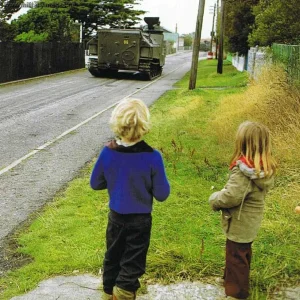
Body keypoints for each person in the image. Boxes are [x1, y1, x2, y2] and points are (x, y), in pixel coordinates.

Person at [90, 98, 170, 300]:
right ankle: (123, 294)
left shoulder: (108, 152)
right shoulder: (153, 157)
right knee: (132, 261)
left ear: (117, 122)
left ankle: (109, 292)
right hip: (140, 220)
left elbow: (96, 183)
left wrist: (116, 177)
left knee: (113, 256)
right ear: (144, 125)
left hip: (116, 217)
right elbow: (162, 194)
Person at [209, 121, 276, 299]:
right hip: (250, 222)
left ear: (242, 143)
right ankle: (230, 279)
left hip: (239, 223)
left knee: (235, 256)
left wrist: (214, 199)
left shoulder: (243, 172)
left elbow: (231, 196)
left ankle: (236, 293)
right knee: (242, 253)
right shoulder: (262, 169)